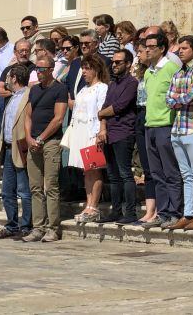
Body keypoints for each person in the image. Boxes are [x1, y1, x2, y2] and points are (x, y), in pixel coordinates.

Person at [165, 35, 193, 231]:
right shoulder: (178, 73)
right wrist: (179, 98)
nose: (180, 51)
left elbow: (192, 97)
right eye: (179, 48)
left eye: (184, 48)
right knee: (186, 174)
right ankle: (188, 213)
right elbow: (168, 99)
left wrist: (178, 98)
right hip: (178, 129)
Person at [22, 53, 68, 242]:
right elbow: (28, 116)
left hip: (50, 142)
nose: (38, 73)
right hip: (34, 142)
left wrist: (41, 138)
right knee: (35, 187)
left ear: (50, 70)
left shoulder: (60, 89)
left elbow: (58, 118)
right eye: (36, 69)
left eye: (41, 69)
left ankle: (53, 228)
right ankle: (38, 227)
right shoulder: (34, 90)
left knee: (51, 185)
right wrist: (29, 137)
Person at [140, 28, 183, 229]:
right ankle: (163, 212)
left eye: (151, 47)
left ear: (162, 48)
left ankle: (175, 212)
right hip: (150, 125)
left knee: (170, 172)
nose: (147, 51)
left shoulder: (171, 67)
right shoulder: (149, 72)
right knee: (156, 173)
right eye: (145, 47)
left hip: (166, 125)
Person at [63, 53, 110, 223]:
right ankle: (88, 204)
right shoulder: (83, 89)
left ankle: (94, 206)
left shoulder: (102, 88)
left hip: (92, 132)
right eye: (83, 68)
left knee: (94, 170)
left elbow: (101, 111)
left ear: (96, 69)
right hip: (80, 132)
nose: (84, 72)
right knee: (86, 171)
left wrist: (99, 132)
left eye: (87, 68)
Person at [97, 47, 139, 224]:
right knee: (112, 176)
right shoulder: (112, 84)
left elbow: (119, 107)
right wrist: (103, 128)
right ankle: (116, 210)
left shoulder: (132, 83)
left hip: (124, 132)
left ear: (128, 64)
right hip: (110, 133)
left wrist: (101, 114)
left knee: (124, 174)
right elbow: (106, 107)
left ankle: (130, 212)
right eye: (113, 62)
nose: (113, 65)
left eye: (118, 62)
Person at [0, 63, 32, 239]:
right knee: (8, 191)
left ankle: (26, 225)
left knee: (24, 190)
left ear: (14, 78)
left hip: (21, 148)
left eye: (9, 77)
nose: (6, 80)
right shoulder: (12, 97)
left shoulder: (29, 96)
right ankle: (11, 225)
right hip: (8, 148)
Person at [132, 37, 158, 224]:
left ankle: (159, 208)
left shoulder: (157, 71)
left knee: (156, 166)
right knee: (147, 166)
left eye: (140, 51)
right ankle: (149, 210)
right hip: (140, 115)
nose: (139, 55)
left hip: (153, 115)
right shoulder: (141, 73)